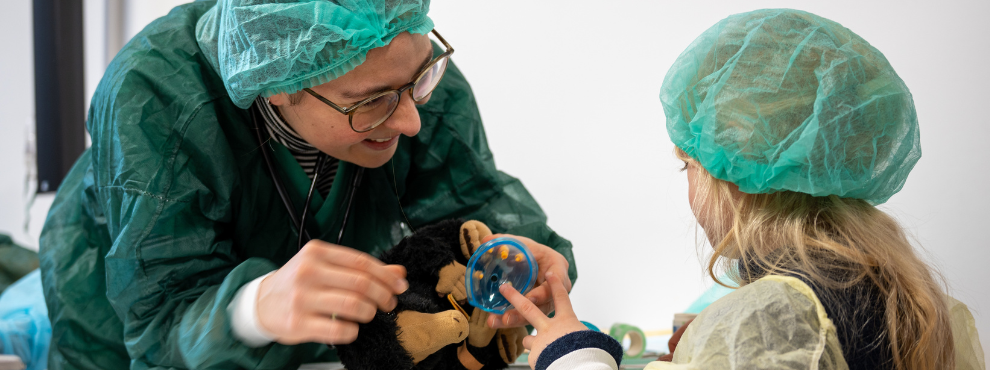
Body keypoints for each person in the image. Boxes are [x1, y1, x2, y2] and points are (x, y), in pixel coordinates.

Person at [38, 1, 576, 369]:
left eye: (419, 81)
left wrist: (519, 257)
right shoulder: (154, 99)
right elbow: (159, 318)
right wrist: (249, 309)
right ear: (275, 84)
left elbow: (475, 200)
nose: (411, 121)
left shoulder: (398, 69)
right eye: (372, 103)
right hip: (115, 320)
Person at [500, 9, 985, 370]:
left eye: (686, 165)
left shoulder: (773, 320)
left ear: (736, 178)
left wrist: (570, 355)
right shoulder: (919, 301)